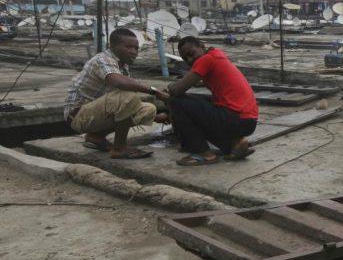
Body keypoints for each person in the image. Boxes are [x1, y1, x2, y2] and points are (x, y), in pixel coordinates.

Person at [64, 28, 168, 159]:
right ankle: (119, 148)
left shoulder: (123, 66)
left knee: (149, 109)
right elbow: (119, 84)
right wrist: (154, 91)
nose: (133, 52)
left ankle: (96, 137)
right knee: (128, 96)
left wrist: (157, 118)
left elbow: (123, 104)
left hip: (95, 112)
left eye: (136, 48)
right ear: (112, 46)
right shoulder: (102, 59)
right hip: (78, 115)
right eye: (128, 47)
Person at [165, 36, 258, 166]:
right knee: (195, 104)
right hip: (247, 120)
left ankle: (202, 153)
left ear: (202, 47)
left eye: (191, 54)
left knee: (177, 101)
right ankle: (234, 144)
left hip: (236, 118)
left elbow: (177, 90)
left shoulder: (206, 59)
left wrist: (169, 88)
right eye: (185, 58)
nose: (190, 60)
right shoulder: (216, 55)